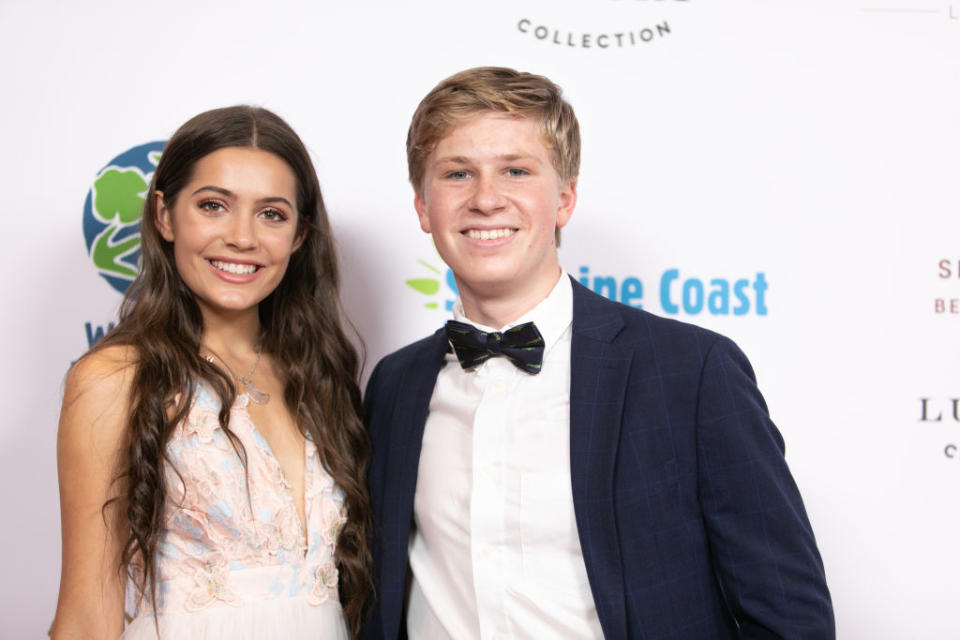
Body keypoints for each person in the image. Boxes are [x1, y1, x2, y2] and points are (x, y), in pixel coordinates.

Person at [363, 67, 835, 639]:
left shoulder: (691, 371)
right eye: (458, 173)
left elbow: (789, 616)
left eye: (516, 170)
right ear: (422, 207)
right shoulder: (395, 385)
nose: (486, 198)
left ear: (564, 199)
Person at [52, 106, 372, 639]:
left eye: (271, 213)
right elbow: (86, 615)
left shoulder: (319, 375)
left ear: (299, 235)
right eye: (213, 206)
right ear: (165, 215)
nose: (242, 237)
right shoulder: (115, 378)